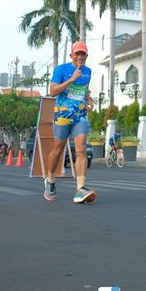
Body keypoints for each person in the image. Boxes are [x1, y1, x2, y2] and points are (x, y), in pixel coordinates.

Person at [43, 41, 96, 204]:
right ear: (71, 55)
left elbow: (85, 90)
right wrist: (71, 79)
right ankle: (50, 179)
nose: (80, 56)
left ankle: (80, 188)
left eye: (83, 54)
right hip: (63, 115)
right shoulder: (61, 70)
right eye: (77, 53)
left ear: (86, 56)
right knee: (58, 150)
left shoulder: (88, 72)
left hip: (80, 115)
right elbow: (53, 91)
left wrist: (89, 99)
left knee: (81, 149)